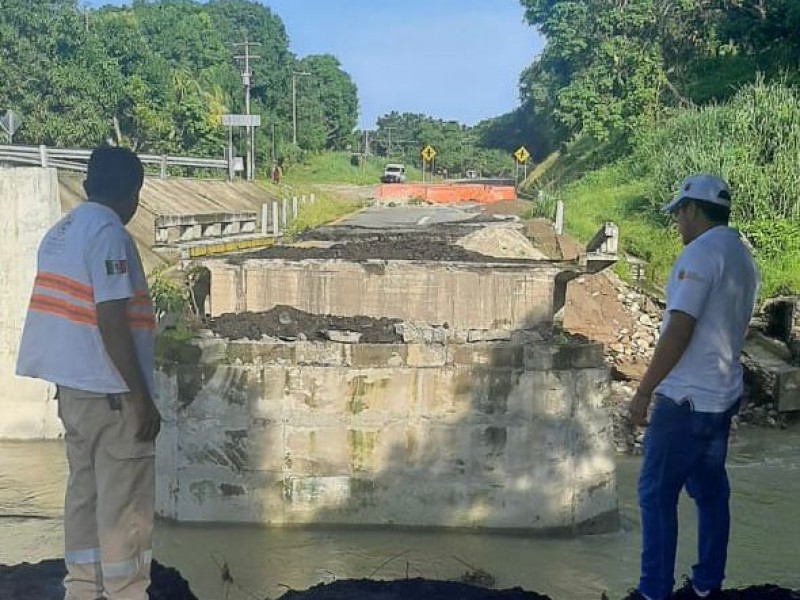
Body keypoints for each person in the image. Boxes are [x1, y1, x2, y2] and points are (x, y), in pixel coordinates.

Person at [16, 146, 160, 600]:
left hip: (73, 393)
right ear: (133, 194)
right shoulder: (109, 234)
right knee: (124, 508)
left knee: (84, 495)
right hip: (112, 396)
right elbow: (111, 320)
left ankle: (82, 590)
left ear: (86, 184)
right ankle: (126, 592)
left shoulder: (60, 233)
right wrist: (141, 398)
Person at [624, 174, 759, 600]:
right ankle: (706, 586)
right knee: (710, 493)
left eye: (679, 214)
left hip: (683, 399)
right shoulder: (741, 255)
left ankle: (653, 591)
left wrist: (644, 391)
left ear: (692, 209)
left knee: (655, 494)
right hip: (721, 398)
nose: (678, 224)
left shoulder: (699, 255)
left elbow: (680, 328)